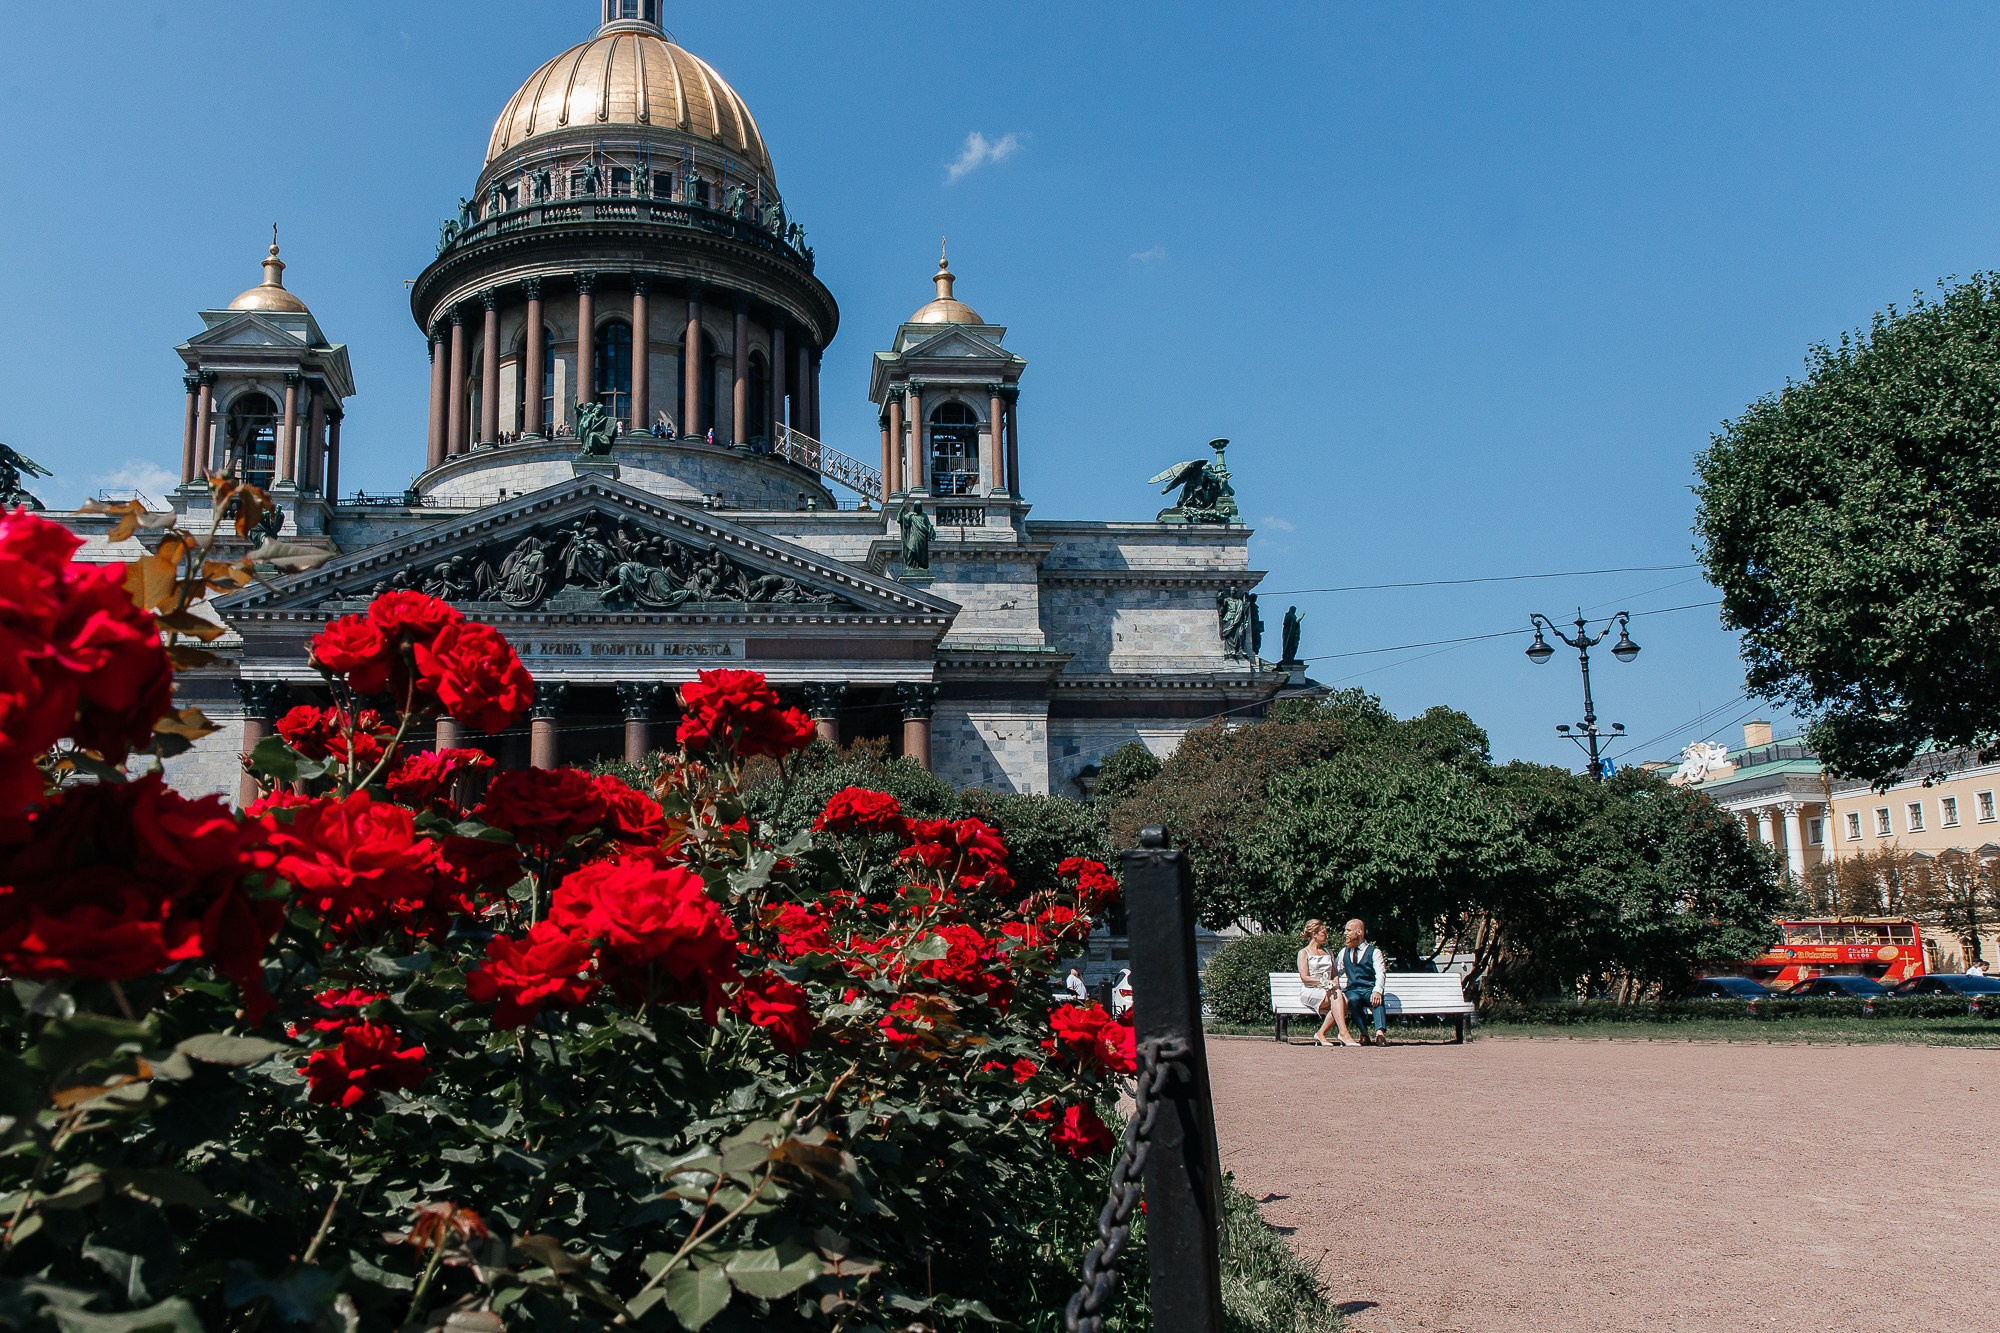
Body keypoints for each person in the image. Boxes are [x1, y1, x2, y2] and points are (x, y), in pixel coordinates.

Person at [1331, 918, 1389, 1047]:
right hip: (1353, 989)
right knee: (1353, 999)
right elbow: (1337, 971)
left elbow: (1380, 973)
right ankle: (1364, 1033)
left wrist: (1377, 990)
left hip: (1369, 988)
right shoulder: (1343, 952)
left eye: (1348, 930)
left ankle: (1380, 1033)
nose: (1345, 933)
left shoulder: (1374, 952)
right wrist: (1335, 981)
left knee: (1378, 999)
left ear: (1359, 932)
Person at [1295, 920, 1337, 1046]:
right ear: (1314, 934)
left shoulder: (1328, 951)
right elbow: (1305, 977)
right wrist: (1323, 982)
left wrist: (1335, 982)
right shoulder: (1304, 953)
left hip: (1329, 990)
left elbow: (1334, 974)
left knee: (1341, 1000)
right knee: (1339, 1000)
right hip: (1310, 990)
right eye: (1323, 933)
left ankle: (1321, 1033)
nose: (1326, 935)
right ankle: (1343, 1034)